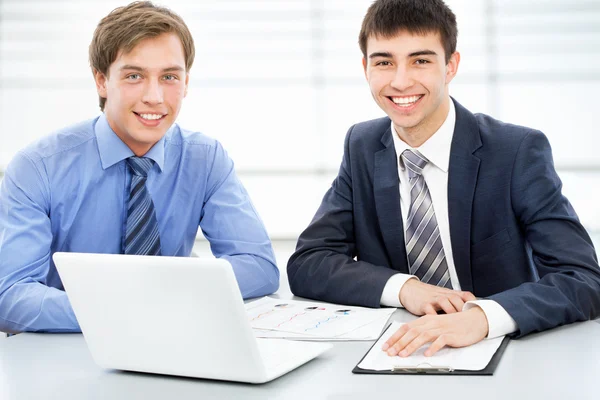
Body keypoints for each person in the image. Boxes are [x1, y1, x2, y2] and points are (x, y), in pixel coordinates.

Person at [287, 0, 600, 357]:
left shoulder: (515, 151)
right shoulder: (362, 145)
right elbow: (309, 262)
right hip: (399, 353)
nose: (400, 80)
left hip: (508, 356)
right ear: (365, 68)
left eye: (420, 60)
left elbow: (583, 280)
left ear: (451, 65)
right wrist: (406, 288)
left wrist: (482, 317)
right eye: (384, 61)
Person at [0, 1, 279, 333]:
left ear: (187, 82)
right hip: (68, 347)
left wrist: (167, 296)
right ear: (102, 81)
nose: (155, 96)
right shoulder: (38, 168)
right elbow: (11, 297)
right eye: (134, 76)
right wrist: (126, 312)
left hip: (172, 349)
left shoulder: (205, 159)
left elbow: (259, 267)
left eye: (170, 76)